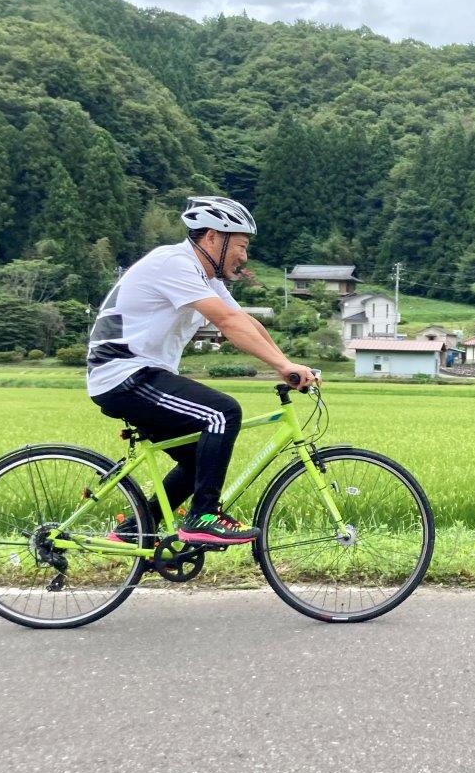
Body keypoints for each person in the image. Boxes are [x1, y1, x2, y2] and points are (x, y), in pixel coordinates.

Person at [86, 196, 316, 546]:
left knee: (199, 459)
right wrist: (283, 366)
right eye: (240, 246)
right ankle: (203, 517)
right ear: (212, 238)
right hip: (123, 374)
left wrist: (287, 365)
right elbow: (224, 321)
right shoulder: (174, 263)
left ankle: (134, 532)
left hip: (141, 375)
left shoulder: (207, 278)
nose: (244, 256)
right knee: (222, 413)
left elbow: (242, 321)